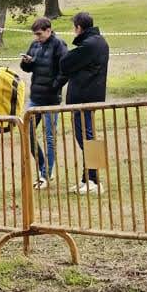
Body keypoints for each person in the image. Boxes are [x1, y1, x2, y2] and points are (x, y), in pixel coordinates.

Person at [60, 10, 111, 192]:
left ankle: (94, 180)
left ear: (79, 27)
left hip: (83, 97)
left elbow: (65, 63)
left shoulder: (89, 45)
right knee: (87, 137)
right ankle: (87, 178)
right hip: (91, 95)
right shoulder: (100, 42)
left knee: (87, 138)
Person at [19, 15, 68, 185]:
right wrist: (26, 62)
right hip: (35, 98)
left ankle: (46, 174)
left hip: (51, 100)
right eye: (35, 34)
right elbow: (28, 68)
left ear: (49, 30)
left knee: (49, 138)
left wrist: (54, 86)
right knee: (27, 133)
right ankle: (43, 166)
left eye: (39, 34)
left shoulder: (59, 45)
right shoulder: (35, 45)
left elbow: (65, 70)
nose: (37, 37)